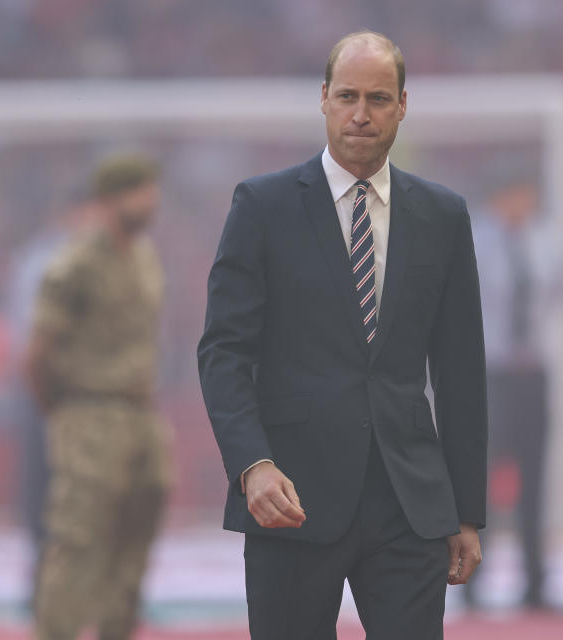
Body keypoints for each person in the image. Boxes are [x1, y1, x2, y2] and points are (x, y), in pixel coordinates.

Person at [198, 31, 488, 639]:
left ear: (403, 105)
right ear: (324, 98)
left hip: (409, 503)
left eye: (379, 99)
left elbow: (460, 371)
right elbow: (224, 351)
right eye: (349, 96)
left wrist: (466, 512)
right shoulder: (262, 206)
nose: (362, 114)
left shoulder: (443, 215)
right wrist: (252, 464)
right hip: (290, 500)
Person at [27, 154, 174, 640]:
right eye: (140, 190)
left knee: (136, 538)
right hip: (89, 411)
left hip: (140, 412)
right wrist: (65, 413)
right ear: (112, 198)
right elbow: (37, 354)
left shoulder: (144, 256)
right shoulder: (75, 265)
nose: (151, 200)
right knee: (78, 539)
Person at [465, 172, 563, 609]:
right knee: (481, 480)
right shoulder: (475, 240)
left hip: (532, 372)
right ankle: (473, 580)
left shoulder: (546, 240)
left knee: (535, 479)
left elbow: (561, 289)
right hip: (490, 373)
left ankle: (536, 583)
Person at [5, 185, 97, 608]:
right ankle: (44, 575)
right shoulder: (38, 261)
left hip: (95, 394)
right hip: (49, 392)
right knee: (42, 488)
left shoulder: (112, 261)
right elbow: (24, 332)